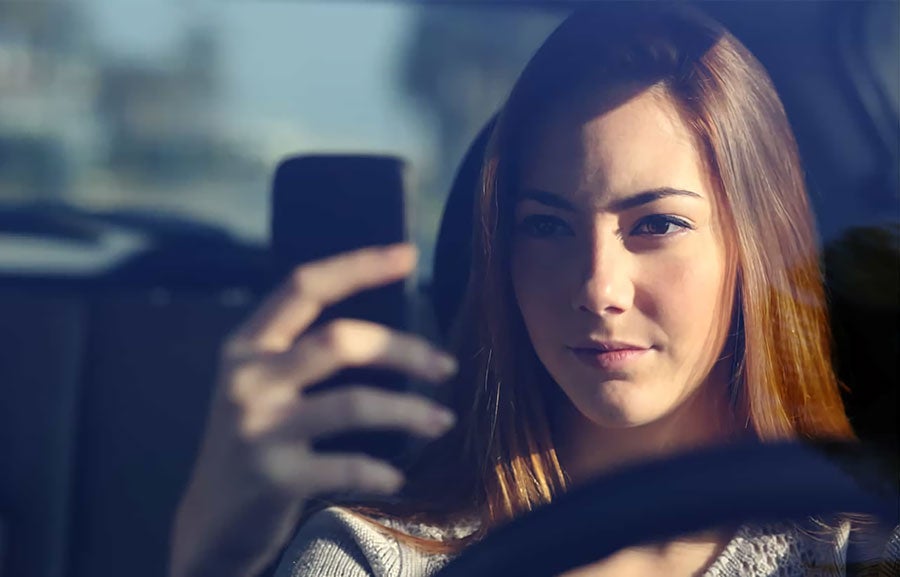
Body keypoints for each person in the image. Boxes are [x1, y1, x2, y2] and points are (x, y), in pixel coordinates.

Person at [169, 5, 899, 577]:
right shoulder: (372, 559)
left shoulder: (862, 552)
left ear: (756, 248)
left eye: (657, 223)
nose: (598, 286)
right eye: (547, 227)